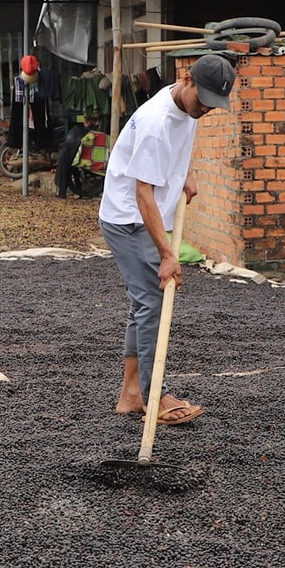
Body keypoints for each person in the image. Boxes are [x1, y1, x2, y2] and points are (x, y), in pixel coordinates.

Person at [99, 53, 236, 425]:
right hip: (129, 218)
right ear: (187, 78)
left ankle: (130, 395)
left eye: (213, 105)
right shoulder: (156, 122)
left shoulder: (185, 107)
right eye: (203, 101)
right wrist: (167, 254)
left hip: (147, 212)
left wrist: (184, 173)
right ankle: (153, 397)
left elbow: (182, 141)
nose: (206, 110)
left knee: (143, 303)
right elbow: (143, 194)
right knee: (151, 304)